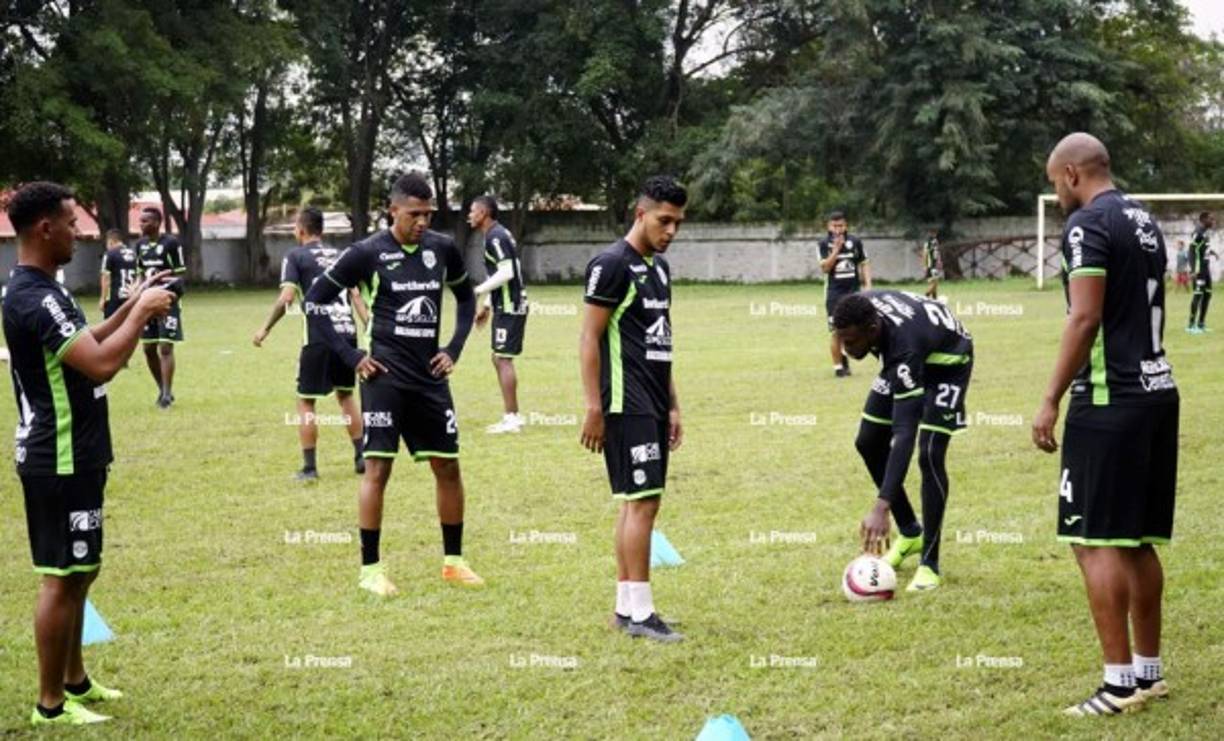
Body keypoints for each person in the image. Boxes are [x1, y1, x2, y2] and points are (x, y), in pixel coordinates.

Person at [3, 182, 174, 726]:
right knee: (61, 574)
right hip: (58, 458)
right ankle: (49, 705)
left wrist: (128, 304)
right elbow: (101, 364)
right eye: (71, 223)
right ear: (43, 229)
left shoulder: (46, 290)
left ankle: (75, 681)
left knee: (82, 569)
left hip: (80, 452)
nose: (81, 232)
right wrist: (143, 314)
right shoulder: (32, 296)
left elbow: (88, 342)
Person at [1032, 133, 1179, 717]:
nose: (1057, 194)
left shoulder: (1086, 223)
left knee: (1093, 541)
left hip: (1108, 397)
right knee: (1137, 539)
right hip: (1157, 392)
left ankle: (1118, 686)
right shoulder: (1145, 219)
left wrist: (1049, 397)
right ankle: (1148, 672)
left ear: (1071, 174)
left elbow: (1084, 315)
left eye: (1053, 182)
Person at [304, 172, 482, 596]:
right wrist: (351, 356)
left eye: (428, 214)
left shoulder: (441, 248)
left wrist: (453, 348)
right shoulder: (366, 253)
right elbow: (315, 301)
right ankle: (370, 570)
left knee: (448, 466)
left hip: (430, 379)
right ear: (393, 210)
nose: (422, 222)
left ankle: (454, 562)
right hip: (384, 379)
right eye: (414, 214)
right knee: (378, 468)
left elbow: (466, 296)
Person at [580, 175, 686, 643]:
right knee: (642, 504)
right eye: (664, 220)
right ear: (640, 213)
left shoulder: (659, 269)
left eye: (678, 223)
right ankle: (642, 615)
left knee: (635, 503)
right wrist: (592, 407)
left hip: (654, 402)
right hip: (626, 403)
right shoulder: (611, 264)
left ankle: (627, 608)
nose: (671, 231)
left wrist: (675, 405)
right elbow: (589, 338)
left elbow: (660, 342)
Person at [834, 290, 972, 593]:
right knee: (868, 441)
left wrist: (881, 506)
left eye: (851, 341)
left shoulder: (903, 349)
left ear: (871, 330)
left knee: (929, 454)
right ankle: (911, 532)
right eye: (841, 339)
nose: (845, 348)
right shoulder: (860, 311)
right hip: (910, 350)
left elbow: (904, 433)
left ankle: (929, 563)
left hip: (948, 362)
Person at [253, 206, 367, 480]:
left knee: (306, 401)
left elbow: (287, 297)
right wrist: (369, 326)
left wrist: (265, 328)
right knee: (346, 395)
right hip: (347, 332)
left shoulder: (295, 256)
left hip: (319, 336)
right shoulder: (339, 255)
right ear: (322, 230)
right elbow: (355, 295)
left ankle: (309, 468)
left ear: (301, 230)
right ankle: (361, 457)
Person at [468, 196, 529, 434]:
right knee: (499, 357)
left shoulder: (496, 236)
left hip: (511, 305)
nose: (469, 215)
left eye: (472, 211)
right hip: (504, 304)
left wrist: (478, 290)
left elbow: (508, 272)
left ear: (483, 212)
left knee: (503, 359)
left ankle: (512, 418)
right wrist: (487, 304)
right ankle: (511, 414)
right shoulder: (496, 234)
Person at [133, 207, 186, 407]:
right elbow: (139, 274)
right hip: (146, 302)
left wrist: (164, 282)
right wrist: (137, 288)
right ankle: (161, 388)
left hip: (166, 300)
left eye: (145, 221)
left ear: (156, 223)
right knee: (148, 348)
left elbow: (180, 273)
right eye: (140, 221)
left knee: (165, 346)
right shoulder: (139, 245)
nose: (141, 224)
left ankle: (166, 394)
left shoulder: (171, 243)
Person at [818, 211, 870, 377]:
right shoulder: (823, 244)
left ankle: (845, 354)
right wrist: (836, 250)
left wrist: (868, 285)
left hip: (854, 293)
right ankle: (838, 368)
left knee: (856, 328)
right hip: (834, 295)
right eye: (834, 226)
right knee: (836, 331)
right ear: (829, 226)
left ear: (846, 226)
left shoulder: (855, 242)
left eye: (841, 226)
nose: (838, 229)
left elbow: (864, 263)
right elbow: (825, 268)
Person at [98, 229, 138, 320]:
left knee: (110, 327)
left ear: (110, 241)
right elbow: (138, 275)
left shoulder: (109, 254)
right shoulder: (133, 254)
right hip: (130, 295)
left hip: (116, 297)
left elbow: (105, 278)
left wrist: (103, 298)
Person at [1187, 212, 1215, 333]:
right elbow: (1191, 251)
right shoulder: (1197, 232)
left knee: (1207, 294)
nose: (1213, 221)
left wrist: (1212, 252)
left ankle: (1201, 324)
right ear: (1203, 220)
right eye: (1211, 219)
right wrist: (1193, 269)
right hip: (1198, 270)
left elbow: (1202, 248)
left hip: (1206, 269)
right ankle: (1191, 325)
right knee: (1198, 295)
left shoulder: (1206, 233)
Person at [921, 228, 943, 299]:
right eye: (932, 232)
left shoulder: (935, 241)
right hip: (931, 265)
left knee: (935, 283)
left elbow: (937, 252)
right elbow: (925, 254)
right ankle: (925, 297)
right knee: (934, 283)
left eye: (935, 232)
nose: (934, 234)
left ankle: (935, 299)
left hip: (935, 265)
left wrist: (939, 261)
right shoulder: (928, 243)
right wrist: (924, 265)